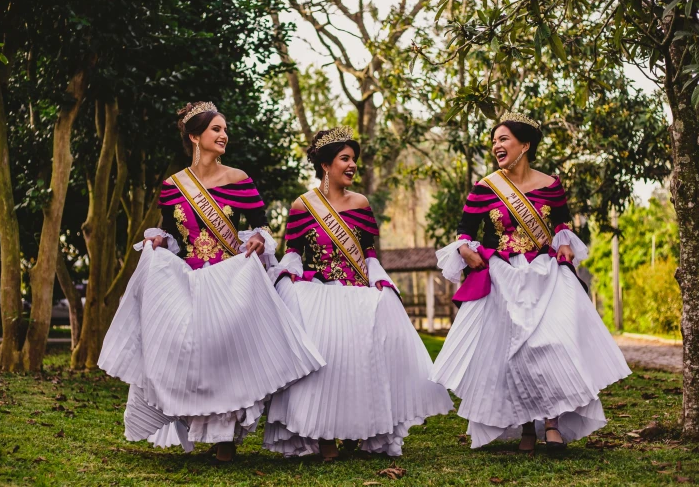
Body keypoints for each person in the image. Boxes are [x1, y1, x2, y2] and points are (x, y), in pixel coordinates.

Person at [98, 102, 324, 462]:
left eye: (224, 130)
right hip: (187, 281)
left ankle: (224, 439)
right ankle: (191, 421)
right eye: (215, 130)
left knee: (225, 360)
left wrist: (259, 240)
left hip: (229, 280)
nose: (223, 136)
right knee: (187, 356)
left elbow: (262, 226)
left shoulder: (239, 180)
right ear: (194, 137)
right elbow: (172, 233)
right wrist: (159, 241)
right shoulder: (173, 186)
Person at [430, 111, 630, 453]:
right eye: (494, 140)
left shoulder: (551, 186)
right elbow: (465, 231)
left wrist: (564, 242)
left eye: (503, 139)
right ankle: (526, 426)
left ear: (524, 145)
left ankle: (551, 423)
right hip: (503, 278)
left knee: (552, 344)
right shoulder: (485, 187)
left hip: (544, 275)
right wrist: (465, 248)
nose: (496, 145)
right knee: (512, 352)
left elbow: (562, 225)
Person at [262, 127, 453, 459]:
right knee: (326, 362)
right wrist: (289, 275)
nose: (352, 165)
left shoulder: (361, 203)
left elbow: (369, 252)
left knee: (361, 364)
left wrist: (379, 281)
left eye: (354, 160)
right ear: (325, 164)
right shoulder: (302, 205)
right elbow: (292, 252)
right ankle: (324, 438)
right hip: (318, 291)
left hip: (357, 290)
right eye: (344, 159)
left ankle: (356, 432)